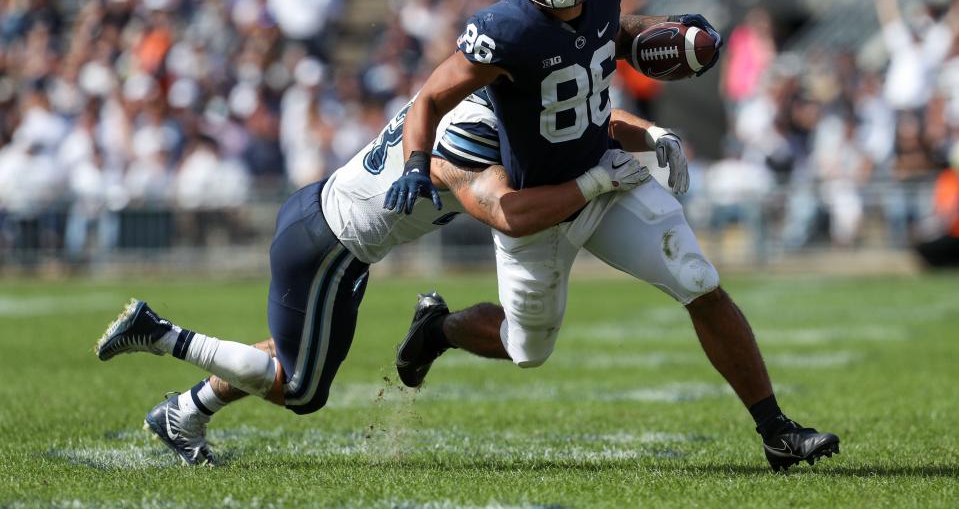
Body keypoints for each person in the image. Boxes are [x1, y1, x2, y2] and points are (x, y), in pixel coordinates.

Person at [387, 0, 840, 472]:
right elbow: (429, 97)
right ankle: (439, 330)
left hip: (609, 179)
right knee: (528, 350)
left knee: (698, 278)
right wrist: (413, 163)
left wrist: (669, 35)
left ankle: (776, 429)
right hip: (542, 204)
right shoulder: (502, 32)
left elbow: (615, 32)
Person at [94, 91, 651, 466]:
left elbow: (571, 123)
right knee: (303, 390)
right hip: (329, 247)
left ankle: (185, 415)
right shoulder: (469, 142)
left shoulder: (468, 102)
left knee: (293, 353)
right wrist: (600, 178)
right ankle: (161, 333)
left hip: (323, 223)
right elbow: (510, 212)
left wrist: (650, 135)